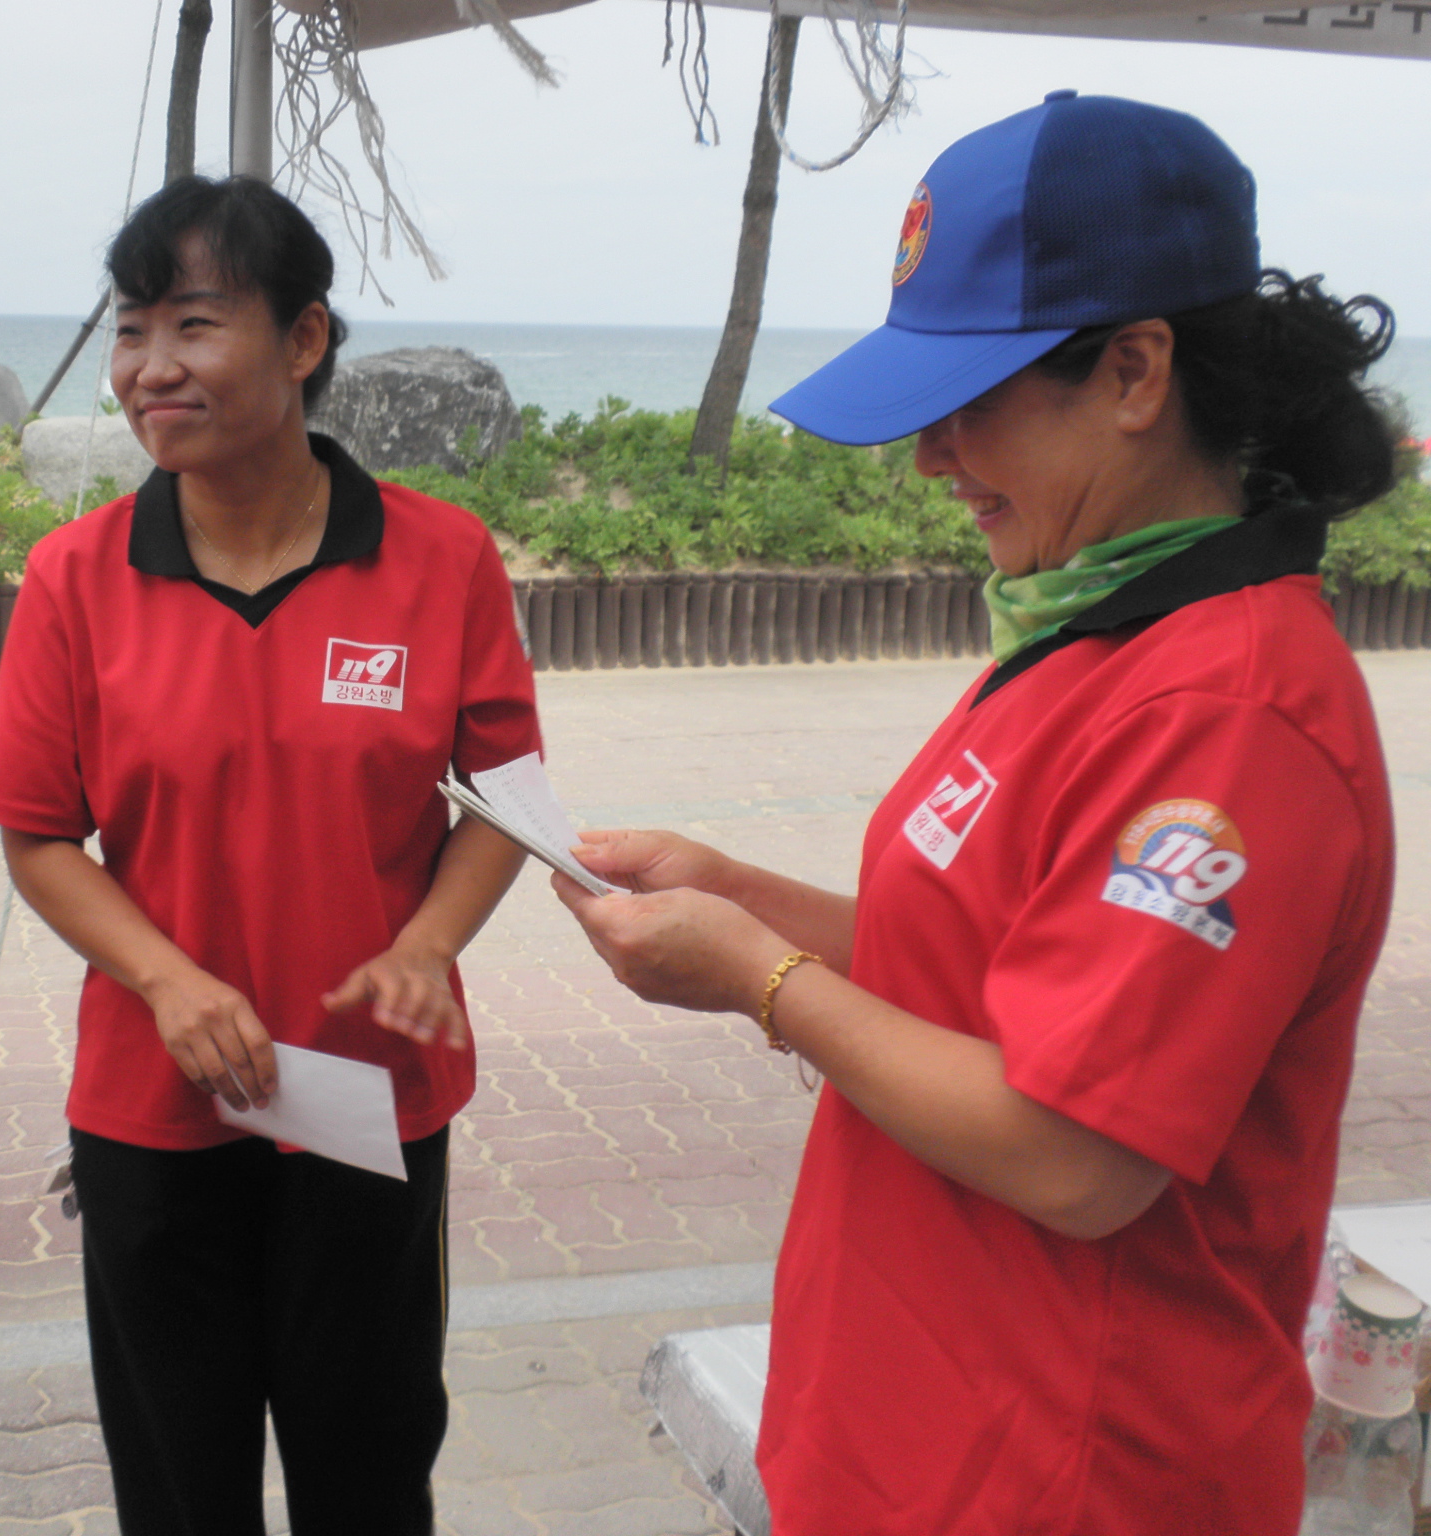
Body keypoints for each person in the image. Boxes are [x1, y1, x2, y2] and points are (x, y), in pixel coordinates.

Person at [556, 92, 1397, 1533]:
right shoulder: (1095, 632)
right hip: (911, 1429)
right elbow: (986, 963)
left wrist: (760, 977)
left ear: (1136, 371)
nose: (933, 459)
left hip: (1063, 1471)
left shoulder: (1231, 713)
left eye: (969, 404)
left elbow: (1076, 1155)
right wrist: (743, 896)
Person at [0, 175, 538, 1535]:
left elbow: (507, 795)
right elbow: (37, 833)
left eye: (194, 324)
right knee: (179, 1487)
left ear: (303, 340)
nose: (149, 368)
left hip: (368, 1099)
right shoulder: (76, 576)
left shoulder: (441, 557)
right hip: (155, 1109)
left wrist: (427, 946)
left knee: (369, 1472)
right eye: (131, 330)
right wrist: (166, 980)